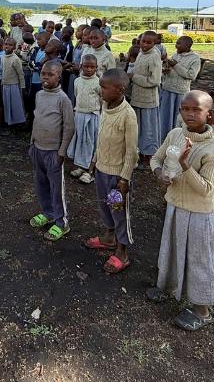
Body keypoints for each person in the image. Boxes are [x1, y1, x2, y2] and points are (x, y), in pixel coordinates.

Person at [147, 90, 214, 331]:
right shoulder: (175, 135)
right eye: (185, 109)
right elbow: (156, 159)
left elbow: (206, 189)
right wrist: (158, 174)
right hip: (175, 204)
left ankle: (202, 310)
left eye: (197, 110)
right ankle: (167, 287)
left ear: (210, 115)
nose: (190, 114)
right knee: (172, 248)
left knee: (200, 259)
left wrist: (185, 165)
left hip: (201, 212)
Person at [84, 68, 139, 274]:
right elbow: (102, 139)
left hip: (117, 177)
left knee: (119, 212)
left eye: (105, 88)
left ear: (120, 90)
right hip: (101, 170)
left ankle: (122, 251)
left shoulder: (128, 115)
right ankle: (108, 237)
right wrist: (94, 162)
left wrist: (124, 179)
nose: (101, 91)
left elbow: (131, 151)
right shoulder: (105, 106)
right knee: (104, 206)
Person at [28, 60, 75, 242]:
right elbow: (37, 119)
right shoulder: (39, 95)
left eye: (51, 74)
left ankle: (62, 222)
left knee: (56, 189)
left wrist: (62, 151)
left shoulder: (63, 99)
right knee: (41, 184)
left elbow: (69, 128)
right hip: (38, 148)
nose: (46, 77)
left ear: (59, 76)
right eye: (43, 74)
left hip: (54, 152)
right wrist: (32, 143)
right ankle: (47, 213)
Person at [129, 31, 163, 170]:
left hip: (148, 99)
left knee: (148, 129)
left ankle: (149, 157)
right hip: (138, 97)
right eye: (143, 41)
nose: (145, 44)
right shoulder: (141, 54)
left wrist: (134, 77)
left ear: (155, 43)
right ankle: (140, 153)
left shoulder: (154, 57)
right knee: (139, 127)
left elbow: (155, 81)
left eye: (149, 42)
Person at [159, 36, 202, 145]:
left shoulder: (195, 58)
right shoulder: (176, 55)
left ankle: (177, 141)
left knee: (178, 118)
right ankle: (164, 139)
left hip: (181, 93)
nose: (176, 45)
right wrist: (166, 70)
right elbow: (172, 70)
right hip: (167, 89)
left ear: (188, 46)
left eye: (178, 43)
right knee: (165, 117)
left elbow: (191, 75)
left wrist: (176, 65)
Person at [67, 55, 102, 184]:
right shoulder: (77, 81)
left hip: (92, 116)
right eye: (86, 66)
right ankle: (81, 166)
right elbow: (77, 95)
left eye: (92, 67)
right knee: (81, 141)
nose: (89, 69)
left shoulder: (98, 82)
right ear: (81, 66)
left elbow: (102, 99)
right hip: (80, 115)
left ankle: (90, 170)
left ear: (96, 68)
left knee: (91, 142)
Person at [0, 38, 26, 131]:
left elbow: (21, 74)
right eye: (6, 44)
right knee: (7, 105)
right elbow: (3, 71)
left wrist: (22, 88)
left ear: (14, 47)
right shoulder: (2, 57)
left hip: (14, 86)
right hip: (5, 85)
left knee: (15, 106)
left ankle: (17, 125)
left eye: (10, 45)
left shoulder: (15, 59)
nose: (7, 46)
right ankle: (9, 123)